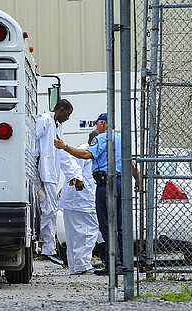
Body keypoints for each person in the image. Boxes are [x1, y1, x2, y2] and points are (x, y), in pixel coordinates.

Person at [54, 112, 124, 276]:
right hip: (116, 185)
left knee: (101, 227)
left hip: (101, 187)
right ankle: (117, 262)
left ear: (102, 124)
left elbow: (84, 156)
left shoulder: (100, 140)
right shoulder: (120, 139)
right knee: (115, 226)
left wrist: (64, 146)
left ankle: (110, 264)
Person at [34, 99, 82, 266]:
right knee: (49, 208)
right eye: (67, 114)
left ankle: (47, 247)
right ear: (60, 109)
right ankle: (42, 242)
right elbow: (32, 139)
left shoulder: (57, 127)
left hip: (50, 173)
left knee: (50, 209)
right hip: (42, 172)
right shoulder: (45, 120)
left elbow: (63, 155)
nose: (67, 118)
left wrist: (74, 174)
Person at [60, 130, 100, 275]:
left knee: (77, 235)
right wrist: (76, 179)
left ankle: (77, 266)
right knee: (87, 233)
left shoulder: (83, 150)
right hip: (81, 199)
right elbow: (74, 170)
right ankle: (81, 265)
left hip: (78, 200)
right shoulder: (84, 151)